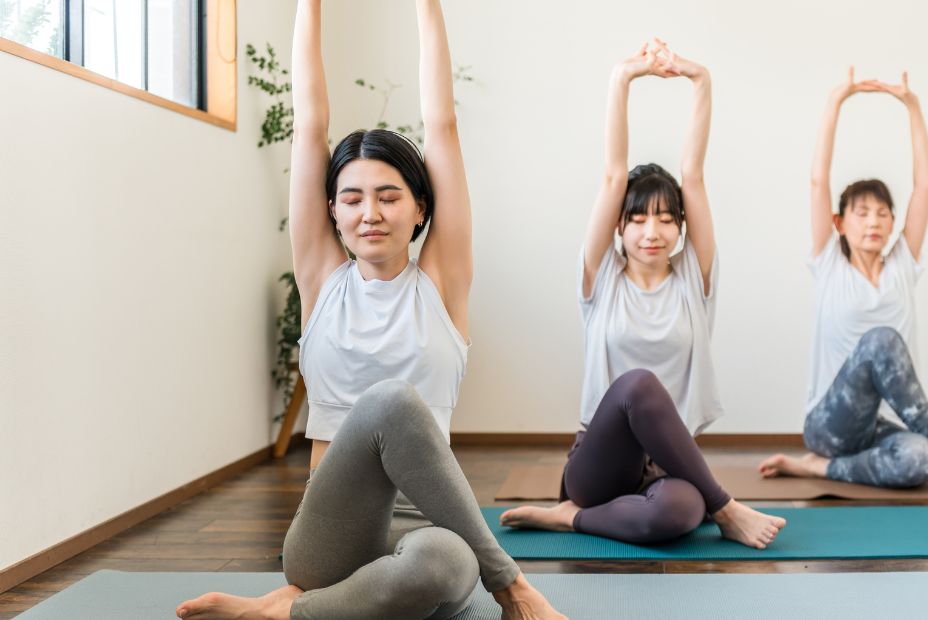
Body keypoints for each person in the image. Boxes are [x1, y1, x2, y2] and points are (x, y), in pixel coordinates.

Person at [176, 2, 565, 618]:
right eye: (352, 198)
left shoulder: (442, 282)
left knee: (440, 566)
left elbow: (442, 126)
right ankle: (512, 587)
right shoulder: (321, 279)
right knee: (389, 401)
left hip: (428, 524)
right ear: (332, 210)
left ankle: (290, 611)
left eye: (389, 196)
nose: (370, 213)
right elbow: (310, 126)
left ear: (420, 208)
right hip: (332, 530)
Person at [501, 41, 786, 548]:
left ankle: (570, 519)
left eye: (665, 218)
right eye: (636, 219)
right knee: (638, 384)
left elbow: (693, 176)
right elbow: (614, 174)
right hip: (599, 465)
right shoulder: (601, 279)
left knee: (678, 515)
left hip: (671, 465)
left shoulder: (694, 282)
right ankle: (725, 507)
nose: (651, 232)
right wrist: (622, 78)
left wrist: (701, 80)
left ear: (680, 227)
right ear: (619, 227)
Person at [758, 68, 928, 495]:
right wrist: (835, 101)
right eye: (861, 213)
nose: (873, 222)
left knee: (919, 460)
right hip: (829, 423)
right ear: (839, 223)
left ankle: (819, 470)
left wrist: (912, 106)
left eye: (882, 214)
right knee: (881, 340)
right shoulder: (829, 264)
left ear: (894, 222)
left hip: (879, 425)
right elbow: (818, 181)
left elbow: (925, 185)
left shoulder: (902, 266)